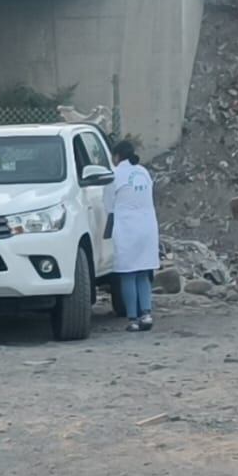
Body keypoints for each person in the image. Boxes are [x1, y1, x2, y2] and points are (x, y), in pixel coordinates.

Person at [106, 140, 160, 333]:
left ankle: (133, 319)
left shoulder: (115, 174)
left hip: (127, 228)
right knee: (144, 272)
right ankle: (146, 314)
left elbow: (108, 206)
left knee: (128, 273)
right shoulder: (143, 172)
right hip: (147, 227)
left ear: (117, 156)